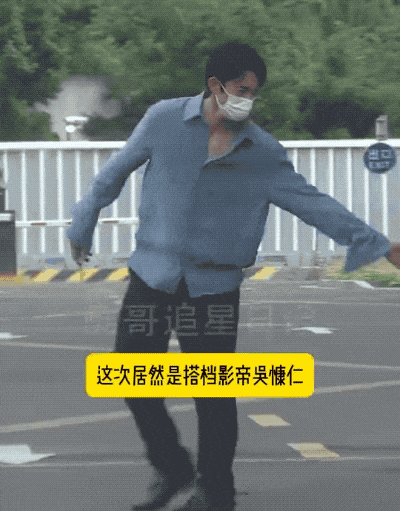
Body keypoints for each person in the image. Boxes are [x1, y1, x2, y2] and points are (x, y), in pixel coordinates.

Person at [67, 41, 400, 511]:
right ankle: (172, 467)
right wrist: (82, 222)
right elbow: (113, 173)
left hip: (214, 287)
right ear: (215, 86)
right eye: (242, 90)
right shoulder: (164, 120)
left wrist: (380, 244)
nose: (249, 100)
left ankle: (216, 492)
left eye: (254, 92)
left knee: (212, 395)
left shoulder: (261, 151)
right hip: (153, 275)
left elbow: (314, 204)